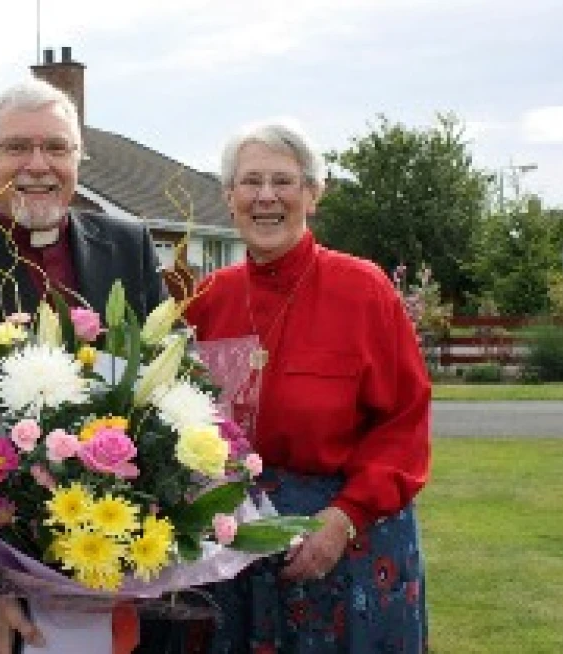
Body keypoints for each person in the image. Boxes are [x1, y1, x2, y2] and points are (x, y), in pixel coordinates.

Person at [0, 77, 172, 654]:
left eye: (56, 147)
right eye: (16, 148)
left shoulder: (131, 246)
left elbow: (161, 404)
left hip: (122, 568)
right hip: (3, 591)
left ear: (79, 157)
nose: (37, 165)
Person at [183, 121, 431, 653]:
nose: (266, 197)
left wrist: (345, 517)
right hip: (235, 542)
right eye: (250, 182)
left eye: (284, 182)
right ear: (228, 197)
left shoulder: (363, 289)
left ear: (313, 195)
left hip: (345, 540)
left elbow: (403, 423)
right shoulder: (209, 298)